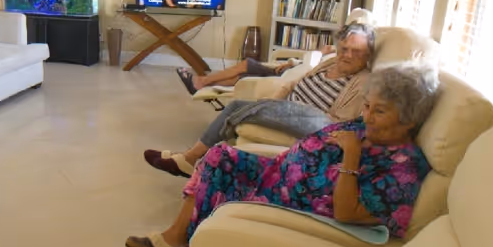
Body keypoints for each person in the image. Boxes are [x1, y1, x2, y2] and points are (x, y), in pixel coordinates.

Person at [126, 64, 439, 247]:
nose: (367, 116)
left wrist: (352, 156)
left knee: (217, 181)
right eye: (367, 105)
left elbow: (347, 212)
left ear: (409, 119)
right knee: (218, 155)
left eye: (379, 111)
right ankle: (176, 240)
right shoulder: (366, 127)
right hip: (279, 176)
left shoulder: (404, 170)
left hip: (293, 202)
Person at [155, 23, 374, 175]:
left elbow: (339, 121)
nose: (347, 55)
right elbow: (292, 84)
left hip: (315, 122)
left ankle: (191, 157)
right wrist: (272, 102)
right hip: (288, 109)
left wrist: (277, 108)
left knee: (237, 107)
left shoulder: (362, 80)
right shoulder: (330, 62)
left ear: (367, 55)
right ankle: (196, 158)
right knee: (245, 109)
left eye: (356, 52)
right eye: (344, 49)